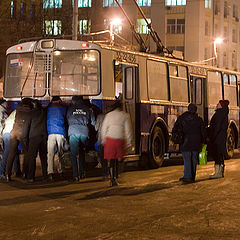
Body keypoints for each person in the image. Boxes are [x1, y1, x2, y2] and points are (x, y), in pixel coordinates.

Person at [101, 100, 132, 187]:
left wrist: (104, 139)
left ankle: (112, 179)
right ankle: (116, 176)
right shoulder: (125, 116)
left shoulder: (108, 115)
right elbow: (128, 129)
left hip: (110, 139)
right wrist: (129, 142)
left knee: (111, 159)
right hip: (119, 139)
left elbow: (104, 128)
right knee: (119, 159)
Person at [172, 103, 205, 183]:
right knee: (194, 159)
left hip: (185, 142)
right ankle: (192, 176)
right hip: (196, 142)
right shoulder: (199, 119)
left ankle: (187, 176)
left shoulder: (182, 118)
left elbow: (175, 129)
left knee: (187, 159)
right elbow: (203, 132)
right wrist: (203, 141)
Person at [67, 96, 96, 182]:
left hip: (73, 132)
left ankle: (76, 175)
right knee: (81, 152)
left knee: (73, 154)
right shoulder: (88, 109)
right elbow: (93, 122)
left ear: (74, 101)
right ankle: (82, 173)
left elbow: (68, 120)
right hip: (84, 132)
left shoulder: (70, 109)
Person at [5, 98, 33, 182]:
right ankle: (25, 173)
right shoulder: (30, 111)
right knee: (26, 153)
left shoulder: (17, 109)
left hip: (13, 132)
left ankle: (7, 174)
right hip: (22, 133)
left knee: (11, 154)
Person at [22, 99, 48, 182]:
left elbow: (25, 128)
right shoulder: (43, 113)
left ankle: (31, 177)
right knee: (43, 157)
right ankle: (45, 175)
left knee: (32, 158)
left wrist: (25, 140)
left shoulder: (29, 114)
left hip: (33, 138)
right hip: (43, 136)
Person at [46, 96, 67, 181]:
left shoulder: (48, 108)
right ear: (59, 100)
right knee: (60, 153)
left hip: (50, 132)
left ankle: (50, 172)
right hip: (60, 132)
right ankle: (61, 171)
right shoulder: (63, 108)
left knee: (50, 154)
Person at [208, 99, 229, 179]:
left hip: (217, 138)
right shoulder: (224, 113)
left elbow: (217, 127)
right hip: (221, 137)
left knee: (217, 154)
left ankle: (218, 173)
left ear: (222, 105)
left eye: (219, 103)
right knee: (220, 155)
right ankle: (220, 172)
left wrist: (212, 136)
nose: (217, 104)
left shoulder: (219, 114)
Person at [0, 110, 21, 179]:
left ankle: (17, 171)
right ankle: (1, 172)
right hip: (10, 133)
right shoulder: (22, 112)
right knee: (7, 154)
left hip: (5, 133)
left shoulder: (13, 112)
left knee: (14, 152)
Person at [95, 112, 108, 180]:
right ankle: (114, 174)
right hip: (108, 139)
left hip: (101, 139)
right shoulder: (109, 116)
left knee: (103, 158)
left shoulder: (99, 116)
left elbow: (96, 128)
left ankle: (105, 174)